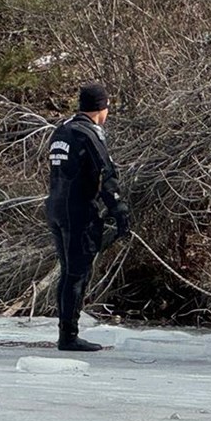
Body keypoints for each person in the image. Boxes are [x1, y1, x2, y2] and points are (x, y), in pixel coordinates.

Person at [46, 83, 131, 352]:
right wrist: (119, 212)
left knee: (69, 273)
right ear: (101, 108)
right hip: (77, 211)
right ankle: (68, 337)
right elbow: (106, 175)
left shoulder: (62, 130)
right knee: (77, 274)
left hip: (56, 208)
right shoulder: (88, 135)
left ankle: (66, 333)